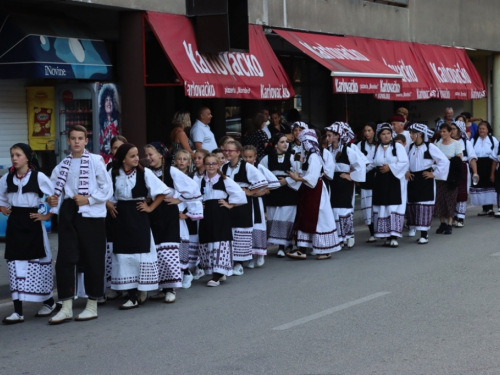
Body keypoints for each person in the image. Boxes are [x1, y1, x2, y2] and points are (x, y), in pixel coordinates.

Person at [47, 125, 112, 324]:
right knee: (66, 258)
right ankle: (66, 306)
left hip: (91, 214)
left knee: (93, 257)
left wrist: (89, 199)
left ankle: (92, 304)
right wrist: (52, 201)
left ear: (86, 141)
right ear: (68, 141)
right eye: (73, 138)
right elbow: (53, 190)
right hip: (69, 212)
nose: (76, 141)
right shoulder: (62, 165)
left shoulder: (95, 161)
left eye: (80, 138)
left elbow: (106, 187)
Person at [108, 144, 171, 309]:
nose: (137, 158)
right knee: (123, 255)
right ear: (123, 159)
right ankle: (131, 295)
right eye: (132, 156)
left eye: (137, 155)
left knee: (140, 253)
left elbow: (162, 191)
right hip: (120, 217)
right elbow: (102, 192)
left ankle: (140, 290)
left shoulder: (144, 172)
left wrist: (150, 207)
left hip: (138, 216)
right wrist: (108, 203)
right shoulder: (113, 173)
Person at [0, 144, 55, 324]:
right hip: (15, 223)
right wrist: (2, 208)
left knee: (37, 264)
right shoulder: (7, 178)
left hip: (33, 222)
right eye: (12, 155)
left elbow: (55, 196)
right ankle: (18, 311)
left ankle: (48, 302)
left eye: (18, 155)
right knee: (15, 264)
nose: (14, 158)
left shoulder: (38, 177)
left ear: (27, 157)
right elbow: (1, 197)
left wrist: (47, 215)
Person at [144, 142, 202, 301]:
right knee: (154, 251)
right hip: (151, 213)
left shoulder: (171, 171)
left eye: (151, 154)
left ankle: (170, 289)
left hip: (168, 213)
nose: (148, 158)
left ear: (161, 155)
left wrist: (180, 199)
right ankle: (161, 287)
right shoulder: (145, 171)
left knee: (167, 250)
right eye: (147, 155)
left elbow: (193, 188)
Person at [286, 129, 341, 260]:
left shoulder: (315, 157)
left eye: (304, 142)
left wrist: (296, 178)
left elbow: (313, 177)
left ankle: (325, 250)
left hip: (316, 190)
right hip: (310, 189)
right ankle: (302, 249)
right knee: (307, 216)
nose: (303, 145)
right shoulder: (311, 156)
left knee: (319, 218)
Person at [198, 153, 247, 286]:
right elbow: (193, 194)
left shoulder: (225, 180)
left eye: (213, 164)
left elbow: (240, 195)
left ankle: (218, 274)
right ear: (204, 165)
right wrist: (199, 203)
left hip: (220, 214)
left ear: (218, 165)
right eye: (208, 164)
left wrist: (229, 205)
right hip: (206, 214)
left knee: (220, 241)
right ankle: (218, 272)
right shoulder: (200, 180)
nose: (211, 166)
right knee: (209, 240)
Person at [222, 141, 269, 274]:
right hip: (229, 202)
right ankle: (231, 262)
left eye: (230, 151)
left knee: (240, 230)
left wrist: (250, 191)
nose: (227, 153)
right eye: (225, 150)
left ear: (238, 152)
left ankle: (239, 263)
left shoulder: (246, 166)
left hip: (243, 205)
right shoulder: (224, 167)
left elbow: (263, 181)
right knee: (230, 231)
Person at [406, 124, 449, 244]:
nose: (411, 135)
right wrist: (407, 171)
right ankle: (415, 229)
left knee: (423, 205)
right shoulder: (410, 147)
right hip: (413, 179)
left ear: (420, 133)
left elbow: (444, 161)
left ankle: (424, 234)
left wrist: (434, 174)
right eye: (410, 133)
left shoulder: (429, 146)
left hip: (425, 179)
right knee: (414, 205)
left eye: (413, 133)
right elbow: (406, 162)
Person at [325, 122, 366, 249]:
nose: (327, 138)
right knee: (334, 210)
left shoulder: (347, 150)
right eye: (327, 136)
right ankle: (338, 237)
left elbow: (361, 165)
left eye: (329, 135)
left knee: (343, 210)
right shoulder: (328, 151)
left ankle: (348, 235)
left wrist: (351, 176)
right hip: (332, 183)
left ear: (337, 136)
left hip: (344, 183)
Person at [260, 133, 301, 257]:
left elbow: (299, 174)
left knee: (285, 219)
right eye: (282, 142)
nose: (285, 144)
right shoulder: (267, 158)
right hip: (273, 194)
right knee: (274, 218)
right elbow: (261, 173)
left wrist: (286, 181)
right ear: (276, 144)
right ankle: (280, 245)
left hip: (288, 193)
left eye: (286, 142)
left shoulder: (292, 157)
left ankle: (283, 246)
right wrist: (269, 184)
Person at [371, 123, 409, 247]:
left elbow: (404, 162)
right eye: (383, 134)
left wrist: (390, 167)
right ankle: (386, 235)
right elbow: (371, 163)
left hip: (393, 180)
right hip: (380, 181)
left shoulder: (397, 146)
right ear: (379, 136)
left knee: (393, 207)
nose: (386, 136)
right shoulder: (376, 148)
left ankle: (394, 236)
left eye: (388, 133)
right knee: (382, 207)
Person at [242, 145, 279, 266]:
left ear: (255, 157)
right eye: (245, 157)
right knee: (248, 227)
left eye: (250, 157)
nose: (247, 159)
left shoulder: (259, 167)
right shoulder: (240, 168)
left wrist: (264, 190)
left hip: (256, 201)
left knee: (258, 225)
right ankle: (250, 256)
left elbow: (275, 182)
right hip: (244, 201)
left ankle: (260, 253)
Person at [174, 150, 203, 285]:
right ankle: (181, 272)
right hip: (174, 211)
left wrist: (187, 213)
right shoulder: (171, 175)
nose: (181, 161)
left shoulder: (193, 177)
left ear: (189, 162)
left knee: (189, 240)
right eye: (179, 159)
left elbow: (194, 197)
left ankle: (190, 270)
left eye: (184, 159)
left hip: (187, 213)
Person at [434, 124, 463, 235]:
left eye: (444, 131)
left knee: (450, 199)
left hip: (451, 175)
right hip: (440, 176)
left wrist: (448, 158)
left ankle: (450, 223)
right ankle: (442, 223)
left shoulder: (456, 144)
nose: (442, 134)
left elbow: (460, 158)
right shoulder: (437, 144)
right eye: (441, 131)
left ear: (450, 132)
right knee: (440, 199)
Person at [450, 121, 478, 227]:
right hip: (450, 168)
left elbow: (472, 158)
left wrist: (475, 173)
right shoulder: (446, 142)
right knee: (451, 192)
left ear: (459, 130)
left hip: (462, 168)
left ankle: (460, 217)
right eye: (450, 129)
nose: (451, 131)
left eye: (453, 129)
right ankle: (452, 216)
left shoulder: (466, 143)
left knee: (462, 192)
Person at [469, 121, 499, 216]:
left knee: (489, 185)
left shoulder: (492, 139)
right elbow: (471, 152)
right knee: (480, 185)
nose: (481, 130)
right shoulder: (473, 140)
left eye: (483, 129)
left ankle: (490, 208)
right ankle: (484, 208)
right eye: (480, 129)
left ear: (487, 130)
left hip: (489, 165)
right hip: (477, 165)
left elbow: (496, 154)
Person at [357, 122, 377, 242]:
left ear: (374, 132)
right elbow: (358, 161)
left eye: (369, 130)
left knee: (377, 205)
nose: (367, 133)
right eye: (365, 131)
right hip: (366, 177)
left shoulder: (379, 145)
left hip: (377, 177)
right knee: (367, 205)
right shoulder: (360, 145)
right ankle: (372, 232)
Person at [99, 84, 120, 163]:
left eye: (110, 100)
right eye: (106, 100)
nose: (109, 103)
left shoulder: (118, 122)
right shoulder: (100, 123)